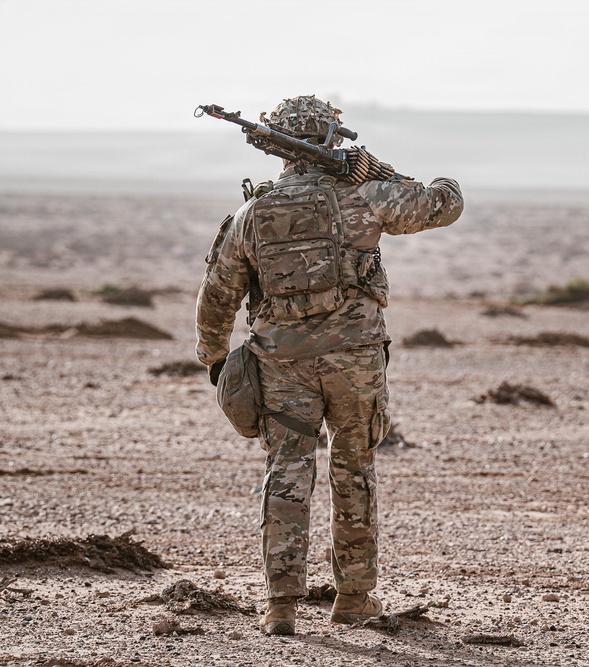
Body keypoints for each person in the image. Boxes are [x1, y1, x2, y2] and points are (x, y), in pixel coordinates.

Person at [195, 95, 464, 636]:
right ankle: (354, 596)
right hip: (355, 363)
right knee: (354, 468)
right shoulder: (366, 196)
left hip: (280, 363)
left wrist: (216, 360)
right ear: (330, 141)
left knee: (286, 475)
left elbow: (217, 298)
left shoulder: (252, 214)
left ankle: (281, 606)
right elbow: (443, 204)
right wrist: (386, 171)